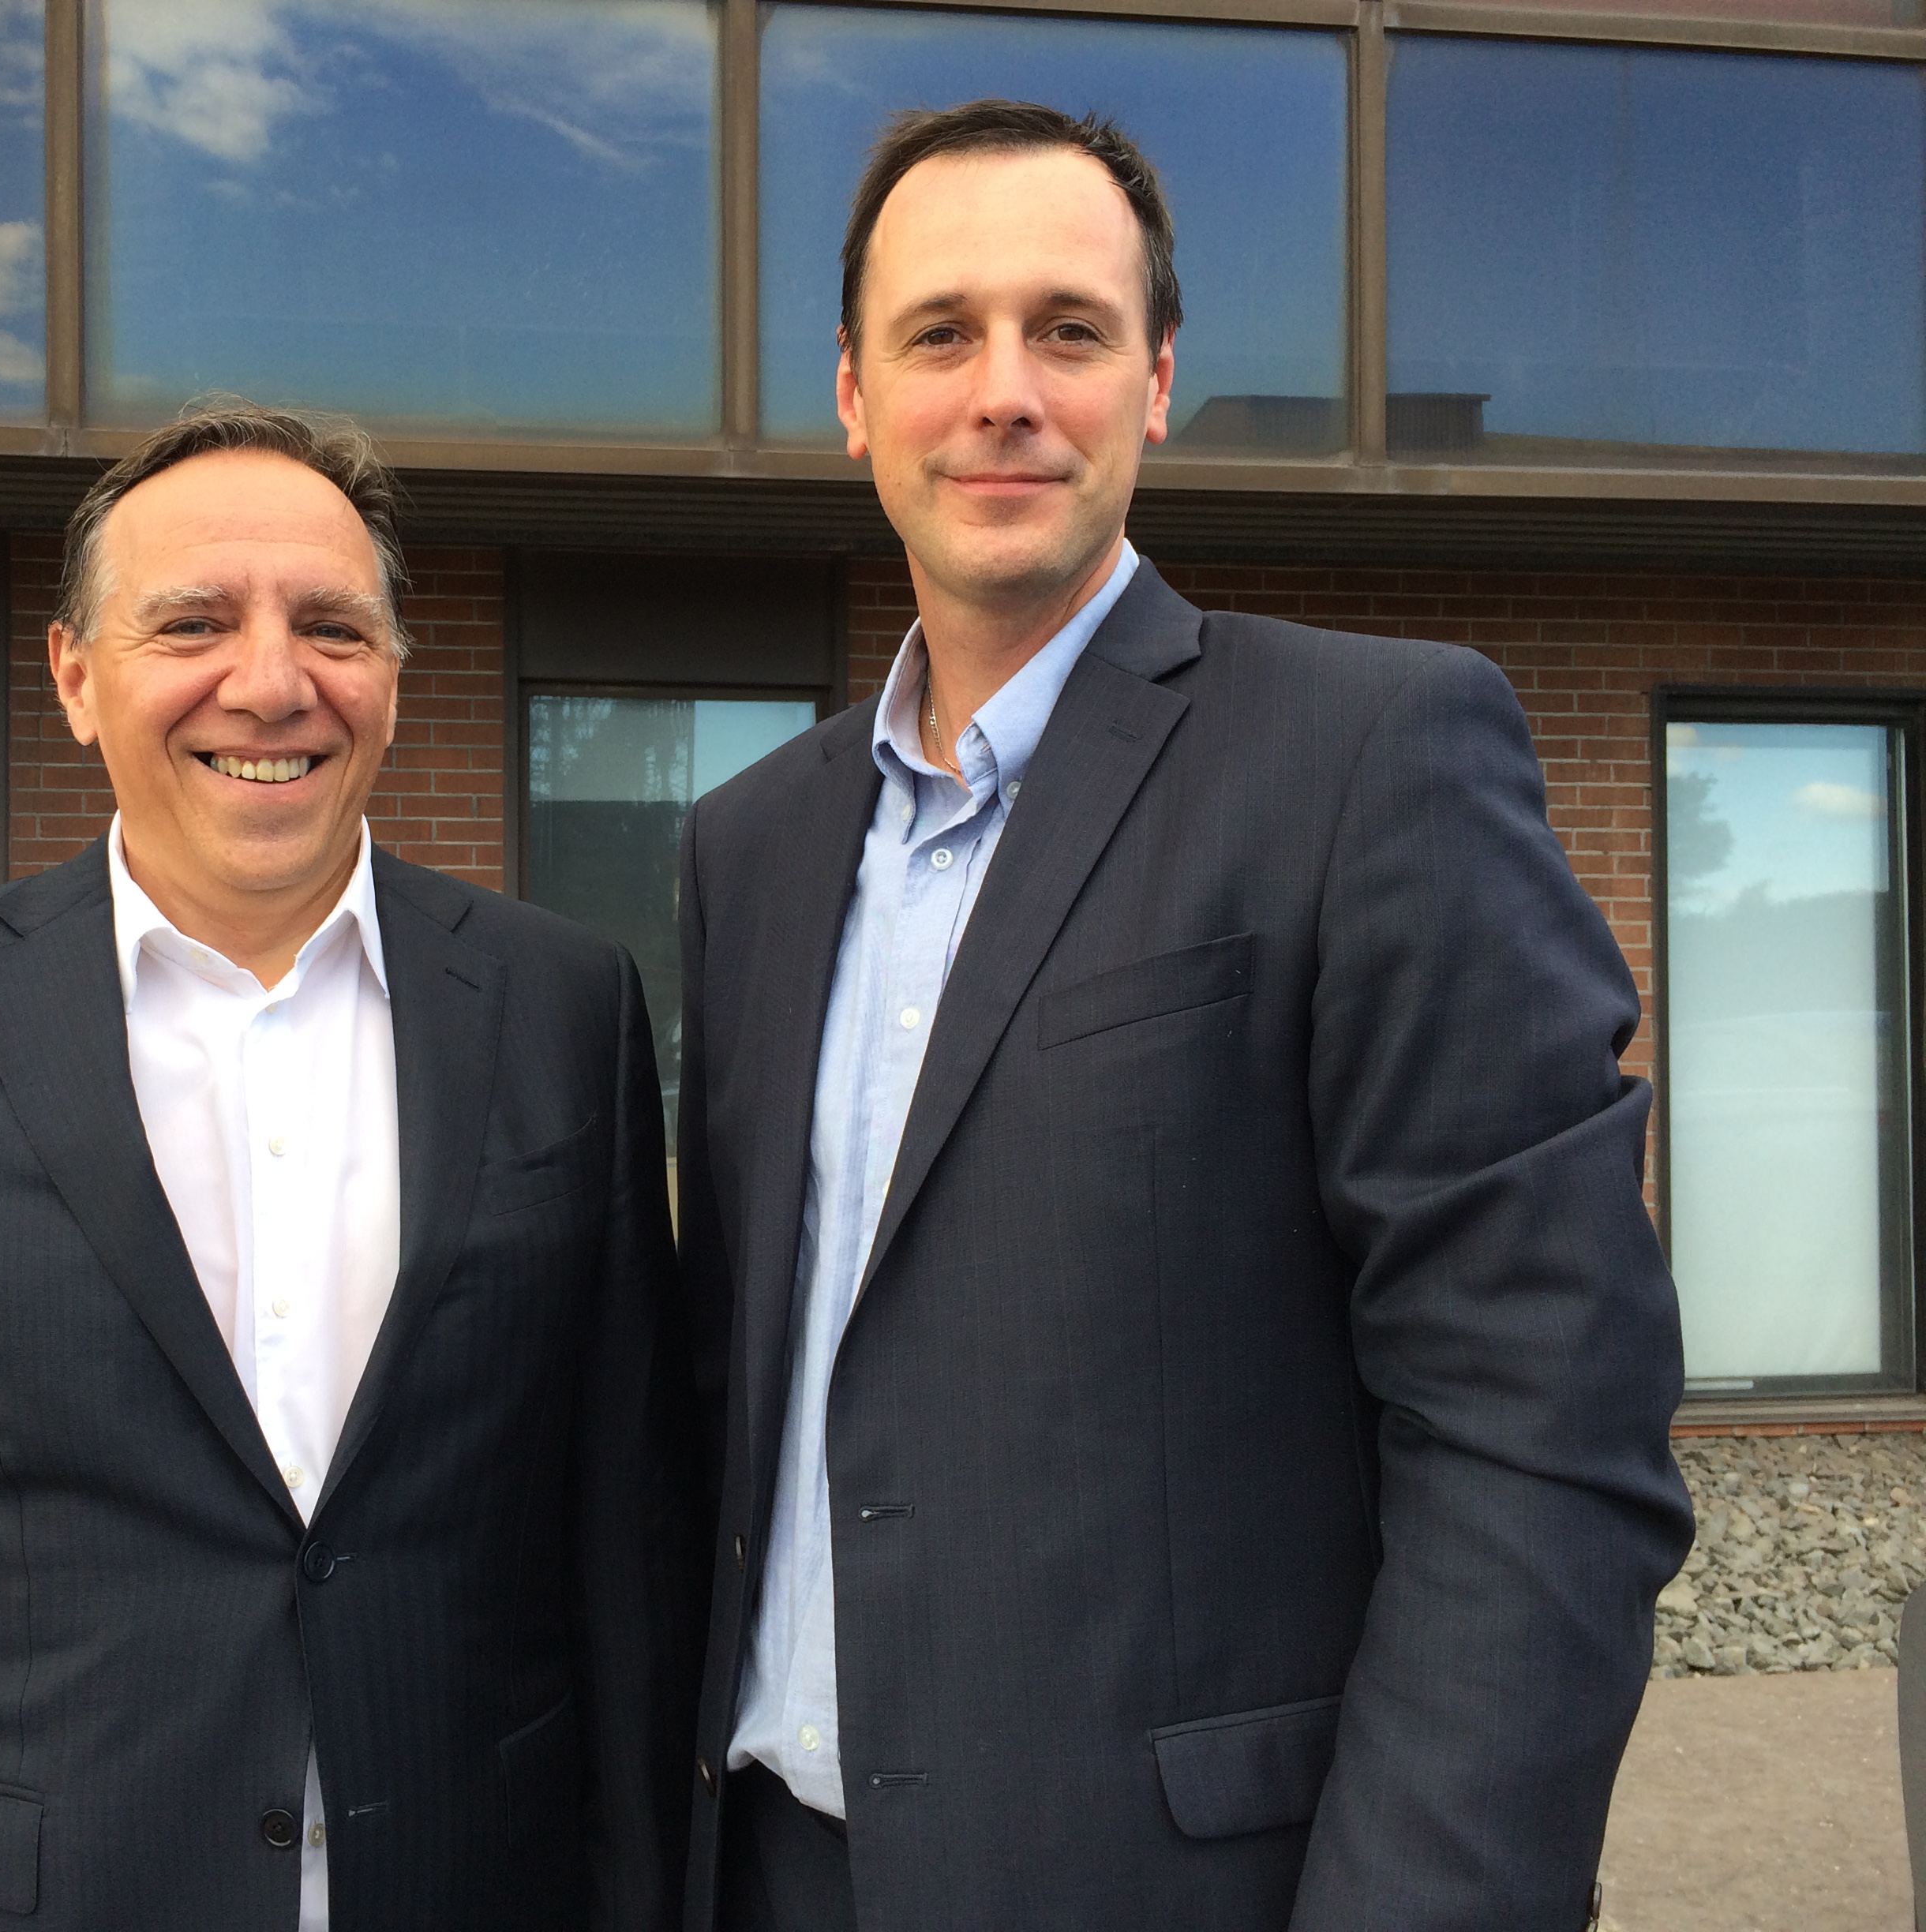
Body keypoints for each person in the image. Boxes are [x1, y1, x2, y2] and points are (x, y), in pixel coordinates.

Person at [676, 101, 1692, 1930]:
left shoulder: (1372, 758)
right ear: (852, 395)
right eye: (940, 333)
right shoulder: (750, 849)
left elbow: (1541, 1431)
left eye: (1067, 330)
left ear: (1154, 384)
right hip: (767, 1869)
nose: (1004, 391)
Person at [0, 401, 703, 1930]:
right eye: (193, 623)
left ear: (393, 676)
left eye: (332, 626)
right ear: (77, 677)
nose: (270, 683)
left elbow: (628, 1545)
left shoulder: (561, 1008)